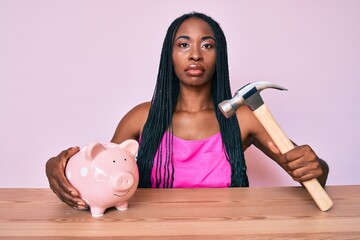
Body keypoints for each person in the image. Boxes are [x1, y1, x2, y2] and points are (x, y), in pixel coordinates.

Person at [46, 12, 329, 210]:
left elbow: (313, 175)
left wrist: (317, 167)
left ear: (220, 56)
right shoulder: (141, 118)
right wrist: (56, 168)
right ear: (169, 56)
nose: (195, 54)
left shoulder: (242, 119)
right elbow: (102, 181)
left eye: (207, 45)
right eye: (183, 44)